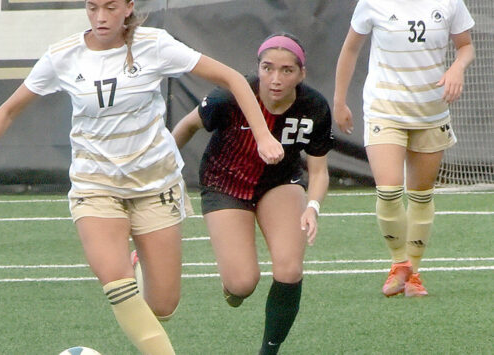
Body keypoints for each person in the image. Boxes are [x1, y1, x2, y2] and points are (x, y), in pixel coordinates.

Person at [0, 1, 284, 354]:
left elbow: (232, 78)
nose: (100, 17)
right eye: (92, 7)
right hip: (94, 186)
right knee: (117, 284)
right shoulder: (63, 55)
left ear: (128, 8)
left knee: (163, 307)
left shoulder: (154, 45)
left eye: (110, 7)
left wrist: (263, 136)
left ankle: (139, 267)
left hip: (155, 184)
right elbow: (8, 110)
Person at [173, 33, 333, 355]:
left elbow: (318, 170)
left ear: (301, 73)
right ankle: (233, 284)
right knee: (242, 284)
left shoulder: (313, 106)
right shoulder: (229, 98)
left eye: (287, 70)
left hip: (280, 183)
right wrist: (165, 174)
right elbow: (186, 127)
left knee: (289, 269)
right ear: (257, 68)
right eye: (267, 68)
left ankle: (269, 351)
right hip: (225, 182)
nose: (275, 79)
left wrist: (312, 206)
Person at [333, 0, 475, 297]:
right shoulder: (372, 3)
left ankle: (414, 274)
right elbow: (350, 48)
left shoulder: (449, 2)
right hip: (384, 108)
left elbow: (466, 46)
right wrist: (339, 101)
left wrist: (457, 68)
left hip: (431, 111)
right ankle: (399, 263)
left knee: (421, 195)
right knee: (389, 189)